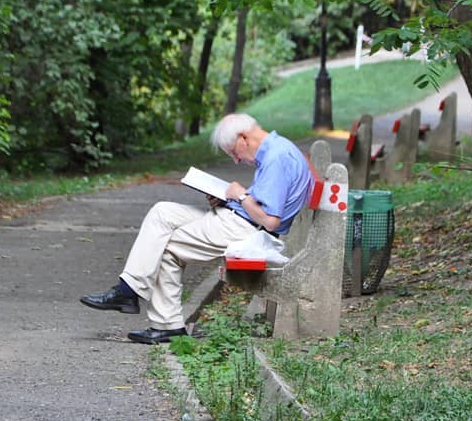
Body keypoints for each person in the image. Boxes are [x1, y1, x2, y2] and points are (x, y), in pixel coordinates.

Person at [80, 113, 315, 344]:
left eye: (234, 152)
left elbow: (270, 220)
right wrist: (228, 199)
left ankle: (161, 320)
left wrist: (241, 195)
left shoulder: (276, 157)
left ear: (244, 137)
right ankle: (130, 291)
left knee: (163, 245)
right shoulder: (276, 149)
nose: (236, 159)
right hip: (235, 217)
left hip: (244, 228)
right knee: (162, 212)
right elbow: (264, 204)